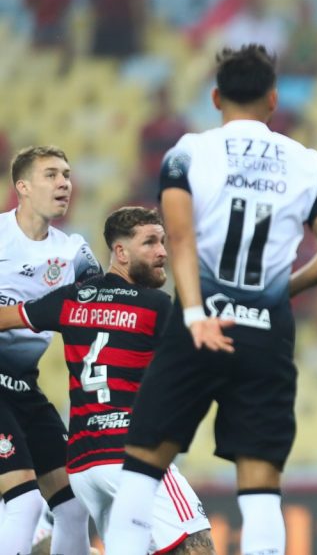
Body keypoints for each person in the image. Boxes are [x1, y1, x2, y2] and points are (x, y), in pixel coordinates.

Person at [104, 44, 317, 555]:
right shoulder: (306, 163)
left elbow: (179, 238)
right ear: (273, 98)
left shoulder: (188, 151)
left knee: (142, 468)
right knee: (261, 485)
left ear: (216, 97)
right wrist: (282, 290)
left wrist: (196, 314)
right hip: (266, 332)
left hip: (200, 323)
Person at [0, 207, 215, 553]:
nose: (162, 251)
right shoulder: (156, 306)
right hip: (131, 456)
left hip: (85, 466)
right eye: (150, 243)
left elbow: (7, 317)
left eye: (162, 242)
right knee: (197, 544)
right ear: (120, 252)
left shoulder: (71, 299)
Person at [0, 145, 101, 555]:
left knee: (74, 505)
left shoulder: (74, 251)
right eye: (51, 174)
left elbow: (107, 303)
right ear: (22, 186)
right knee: (24, 502)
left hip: (25, 386)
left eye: (67, 174)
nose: (64, 183)